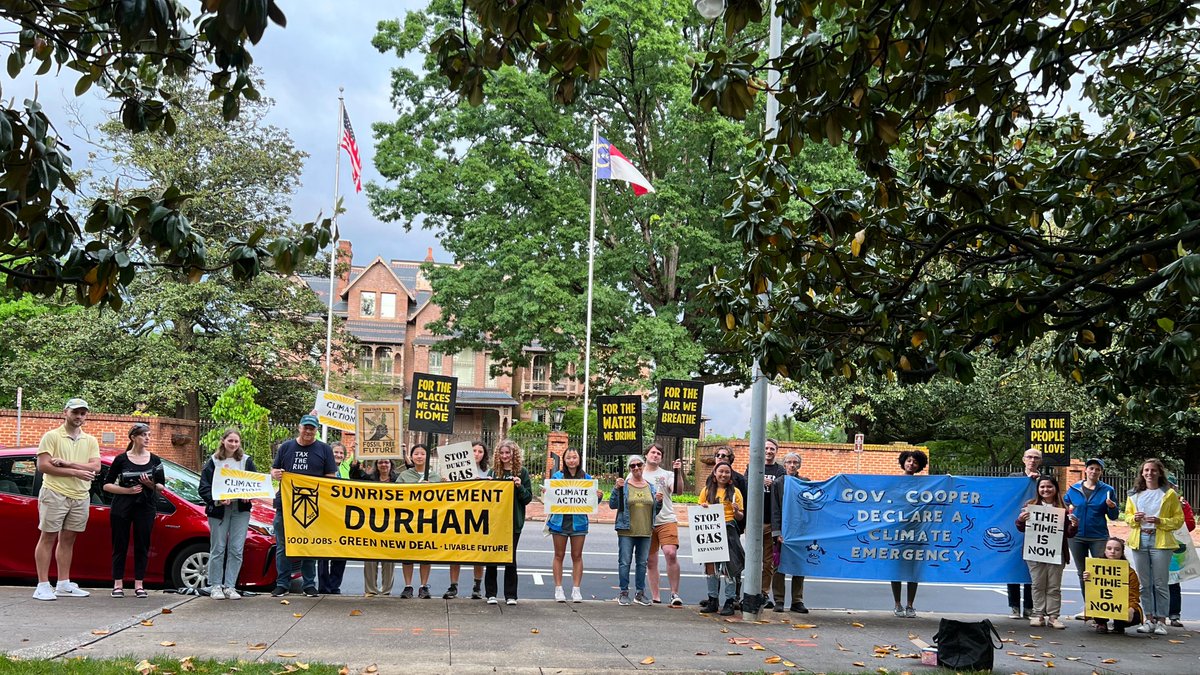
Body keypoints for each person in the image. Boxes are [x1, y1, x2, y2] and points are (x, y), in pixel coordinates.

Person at [33, 398, 101, 601]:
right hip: (54, 492)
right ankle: (42, 585)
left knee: (68, 540)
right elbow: (43, 466)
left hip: (80, 496)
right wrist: (77, 472)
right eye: (75, 412)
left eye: (82, 413)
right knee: (48, 537)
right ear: (65, 412)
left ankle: (63, 584)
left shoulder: (90, 440)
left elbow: (96, 467)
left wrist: (66, 464)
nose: (79, 416)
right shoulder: (51, 436)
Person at [269, 414, 337, 598]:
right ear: (299, 428)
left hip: (312, 508)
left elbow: (331, 476)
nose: (308, 431)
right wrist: (275, 474)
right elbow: (274, 470)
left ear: (316, 430)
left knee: (309, 546)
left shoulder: (324, 449)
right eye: (305, 427)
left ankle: (309, 585)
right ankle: (282, 584)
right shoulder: (286, 447)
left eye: (312, 428)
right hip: (285, 505)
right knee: (283, 547)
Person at [1122, 458, 1184, 634]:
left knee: (1160, 583)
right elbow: (1127, 516)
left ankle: (1162, 621)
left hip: (1161, 540)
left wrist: (1160, 521)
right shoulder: (1134, 494)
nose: (1149, 473)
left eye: (1153, 470)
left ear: (1159, 473)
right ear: (1142, 473)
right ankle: (1148, 619)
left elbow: (1178, 520)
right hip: (1139, 539)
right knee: (1144, 584)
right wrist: (1133, 519)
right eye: (1146, 470)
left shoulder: (1169, 494)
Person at [103, 422, 165, 599]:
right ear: (133, 438)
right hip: (122, 505)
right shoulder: (121, 459)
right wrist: (127, 491)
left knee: (142, 544)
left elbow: (161, 486)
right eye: (143, 435)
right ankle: (117, 583)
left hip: (145, 505)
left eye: (149, 435)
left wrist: (149, 484)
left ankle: (139, 584)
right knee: (119, 543)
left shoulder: (155, 460)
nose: (147, 438)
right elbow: (107, 485)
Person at [198, 427, 255, 600]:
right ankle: (215, 585)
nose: (233, 444)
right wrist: (217, 499)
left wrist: (248, 496)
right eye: (230, 440)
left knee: (236, 549)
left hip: (240, 511)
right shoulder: (214, 461)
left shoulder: (246, 461)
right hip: (219, 511)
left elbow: (254, 483)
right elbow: (203, 488)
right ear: (223, 441)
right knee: (218, 548)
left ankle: (230, 586)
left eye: (236, 441)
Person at [1016, 476, 1078, 629]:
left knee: (1054, 586)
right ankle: (1038, 615)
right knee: (1037, 585)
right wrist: (1020, 520)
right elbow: (1022, 528)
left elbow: (1069, 534)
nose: (1046, 490)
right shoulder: (1030, 505)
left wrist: (1074, 525)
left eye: (1049, 486)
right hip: (1035, 553)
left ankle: (1053, 617)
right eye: (1042, 487)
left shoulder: (1063, 508)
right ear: (1038, 489)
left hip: (1056, 553)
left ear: (1055, 488)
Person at [1063, 457, 1120, 619]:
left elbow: (1114, 516)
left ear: (1101, 472)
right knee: (1083, 573)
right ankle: (1089, 607)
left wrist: (1112, 507)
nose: (1094, 471)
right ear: (1086, 470)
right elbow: (1066, 508)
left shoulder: (1108, 490)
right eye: (1091, 468)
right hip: (1076, 536)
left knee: (1101, 573)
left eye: (1097, 469)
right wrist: (1069, 517)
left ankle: (1103, 609)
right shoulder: (1073, 489)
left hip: (1098, 537)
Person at [548, 447, 603, 603]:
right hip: (559, 522)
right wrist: (548, 494)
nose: (571, 460)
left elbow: (591, 503)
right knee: (559, 555)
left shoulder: (587, 478)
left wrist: (598, 497)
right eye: (568, 458)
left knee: (577, 556)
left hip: (578, 522)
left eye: (574, 457)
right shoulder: (557, 478)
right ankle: (558, 588)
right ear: (564, 460)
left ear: (579, 459)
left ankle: (576, 589)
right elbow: (550, 500)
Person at [610, 454, 664, 606]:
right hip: (626, 530)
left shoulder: (651, 487)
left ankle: (640, 593)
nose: (636, 468)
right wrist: (616, 489)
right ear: (629, 469)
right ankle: (623, 592)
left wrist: (659, 502)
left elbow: (655, 511)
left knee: (642, 563)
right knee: (625, 562)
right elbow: (613, 505)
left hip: (645, 530)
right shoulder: (624, 486)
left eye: (639, 465)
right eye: (632, 466)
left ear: (643, 466)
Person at [636, 443, 685, 606]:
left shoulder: (668, 474)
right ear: (646, 455)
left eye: (658, 453)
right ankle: (655, 596)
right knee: (651, 560)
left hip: (666, 519)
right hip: (645, 521)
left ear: (661, 457)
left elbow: (678, 490)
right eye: (652, 452)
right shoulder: (637, 473)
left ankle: (674, 593)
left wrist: (678, 472)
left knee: (670, 553)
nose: (655, 455)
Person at [485, 439, 532, 605]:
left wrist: (520, 486)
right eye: (502, 453)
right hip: (494, 522)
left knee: (510, 558)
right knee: (492, 555)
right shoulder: (492, 472)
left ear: (514, 454)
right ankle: (491, 593)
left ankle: (511, 595)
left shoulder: (522, 472)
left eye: (508, 453)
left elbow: (527, 499)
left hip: (513, 521)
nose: (505, 456)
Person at [699, 461, 745, 616]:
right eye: (721, 472)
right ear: (715, 474)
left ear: (730, 475)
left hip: (729, 530)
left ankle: (729, 601)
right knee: (710, 566)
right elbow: (700, 512)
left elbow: (740, 517)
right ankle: (712, 599)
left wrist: (736, 511)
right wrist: (703, 508)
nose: (723, 475)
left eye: (727, 472)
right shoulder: (706, 491)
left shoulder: (735, 492)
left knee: (728, 567)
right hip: (711, 530)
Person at [445, 441, 489, 600]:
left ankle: (477, 587)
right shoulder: (454, 469)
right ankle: (453, 586)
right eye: (474, 450)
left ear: (484, 455)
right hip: (458, 514)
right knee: (456, 551)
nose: (477, 454)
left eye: (480, 451)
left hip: (479, 515)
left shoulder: (487, 471)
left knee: (478, 552)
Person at [770, 452, 810, 613]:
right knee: (778, 566)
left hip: (800, 531)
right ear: (784, 465)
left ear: (799, 465)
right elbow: (775, 509)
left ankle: (797, 601)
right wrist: (777, 532)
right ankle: (779, 600)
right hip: (783, 532)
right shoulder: (778, 483)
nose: (792, 465)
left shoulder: (805, 483)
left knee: (799, 565)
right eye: (789, 462)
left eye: (795, 462)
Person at [397, 444, 439, 599]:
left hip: (427, 520)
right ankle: (408, 586)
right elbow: (395, 495)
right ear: (412, 456)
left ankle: (423, 586)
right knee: (407, 554)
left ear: (427, 457)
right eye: (416, 454)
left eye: (423, 453)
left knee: (425, 553)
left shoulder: (435, 477)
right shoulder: (404, 476)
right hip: (408, 520)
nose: (419, 456)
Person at [1006, 447, 1043, 618]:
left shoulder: (1045, 481)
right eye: (1030, 457)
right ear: (1023, 459)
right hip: (1015, 526)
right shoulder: (1014, 478)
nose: (1033, 460)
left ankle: (1029, 607)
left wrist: (1038, 482)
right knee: (1013, 565)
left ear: (1040, 461)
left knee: (1033, 568)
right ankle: (1014, 606)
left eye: (1036, 458)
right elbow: (1006, 496)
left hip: (1038, 528)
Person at [890, 449, 927, 617]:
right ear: (903, 462)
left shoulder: (924, 484)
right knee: (896, 568)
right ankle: (897, 604)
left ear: (919, 466)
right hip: (897, 530)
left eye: (915, 462)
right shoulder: (893, 482)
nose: (911, 464)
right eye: (909, 461)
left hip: (916, 531)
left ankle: (910, 605)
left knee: (913, 569)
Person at [1084, 537, 1143, 634]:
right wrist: (1087, 578)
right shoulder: (1094, 569)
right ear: (1105, 550)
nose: (1113, 552)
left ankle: (1119, 624)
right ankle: (1101, 623)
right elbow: (1092, 593)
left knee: (1135, 616)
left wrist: (1131, 609)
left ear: (1122, 552)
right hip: (1103, 602)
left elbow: (1134, 595)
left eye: (1117, 549)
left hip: (1122, 604)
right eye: (1109, 548)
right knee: (1093, 604)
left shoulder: (1130, 572)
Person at [357, 457, 398, 597]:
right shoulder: (369, 479)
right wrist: (357, 460)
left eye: (386, 462)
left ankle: (386, 591)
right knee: (370, 559)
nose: (383, 465)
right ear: (376, 465)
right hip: (371, 523)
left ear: (391, 464)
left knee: (389, 560)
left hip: (391, 523)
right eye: (380, 462)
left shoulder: (398, 480)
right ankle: (370, 590)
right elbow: (353, 477)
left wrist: (404, 453)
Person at [318, 442, 351, 595]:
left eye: (341, 453)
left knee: (341, 550)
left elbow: (361, 457)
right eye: (335, 452)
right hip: (325, 513)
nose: (338, 455)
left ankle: (334, 585)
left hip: (342, 514)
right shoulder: (322, 466)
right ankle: (323, 586)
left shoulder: (347, 468)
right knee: (324, 550)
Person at [759, 438, 787, 609]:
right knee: (754, 559)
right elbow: (746, 484)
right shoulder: (754, 467)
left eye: (772, 449)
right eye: (766, 448)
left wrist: (774, 484)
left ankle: (763, 593)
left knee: (768, 561)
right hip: (755, 521)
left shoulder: (780, 470)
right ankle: (750, 591)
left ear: (776, 451)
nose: (768, 451)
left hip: (771, 521)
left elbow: (784, 490)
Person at [1166, 473, 1196, 627]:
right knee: (1154, 582)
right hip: (1157, 544)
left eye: (1170, 486)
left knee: (1173, 581)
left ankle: (1174, 615)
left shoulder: (1182, 503)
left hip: (1175, 546)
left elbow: (1190, 524)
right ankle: (1156, 615)